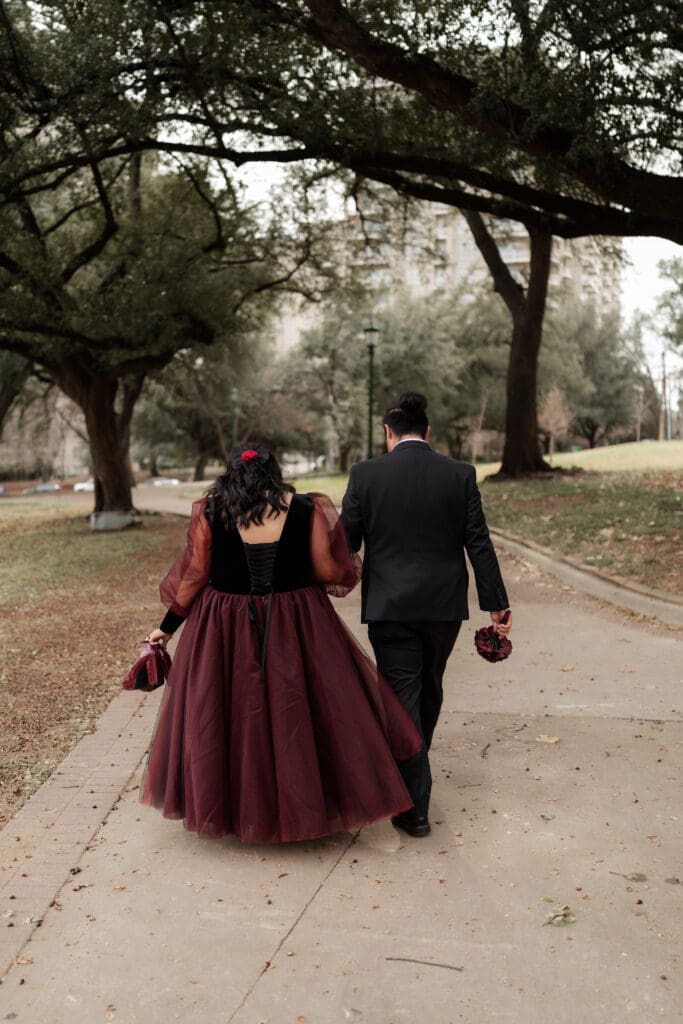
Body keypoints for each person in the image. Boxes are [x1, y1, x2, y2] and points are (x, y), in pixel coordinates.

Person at [140, 445, 421, 844]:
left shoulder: (211, 510)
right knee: (305, 710)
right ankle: (306, 805)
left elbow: (196, 574)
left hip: (225, 626)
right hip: (298, 621)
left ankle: (241, 811)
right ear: (275, 471)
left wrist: (166, 628)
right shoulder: (307, 508)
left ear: (231, 473)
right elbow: (328, 571)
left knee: (228, 714)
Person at [341, 392, 511, 839]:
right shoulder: (459, 474)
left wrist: (319, 584)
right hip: (442, 608)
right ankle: (414, 783)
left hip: (390, 607)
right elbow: (478, 542)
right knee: (428, 688)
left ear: (388, 432)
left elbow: (345, 543)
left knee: (402, 698)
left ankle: (413, 806)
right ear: (427, 431)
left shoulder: (365, 475)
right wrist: (496, 603)